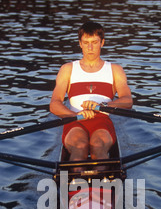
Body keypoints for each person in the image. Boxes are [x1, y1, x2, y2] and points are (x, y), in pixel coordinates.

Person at [50, 21, 133, 161]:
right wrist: (75, 115)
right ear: (80, 44)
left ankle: (100, 180)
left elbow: (128, 101)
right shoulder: (67, 69)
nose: (90, 47)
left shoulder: (115, 70)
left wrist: (102, 106)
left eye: (94, 42)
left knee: (97, 145)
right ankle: (75, 180)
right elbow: (54, 104)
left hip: (102, 120)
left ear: (102, 43)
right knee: (80, 146)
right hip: (74, 119)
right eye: (86, 42)